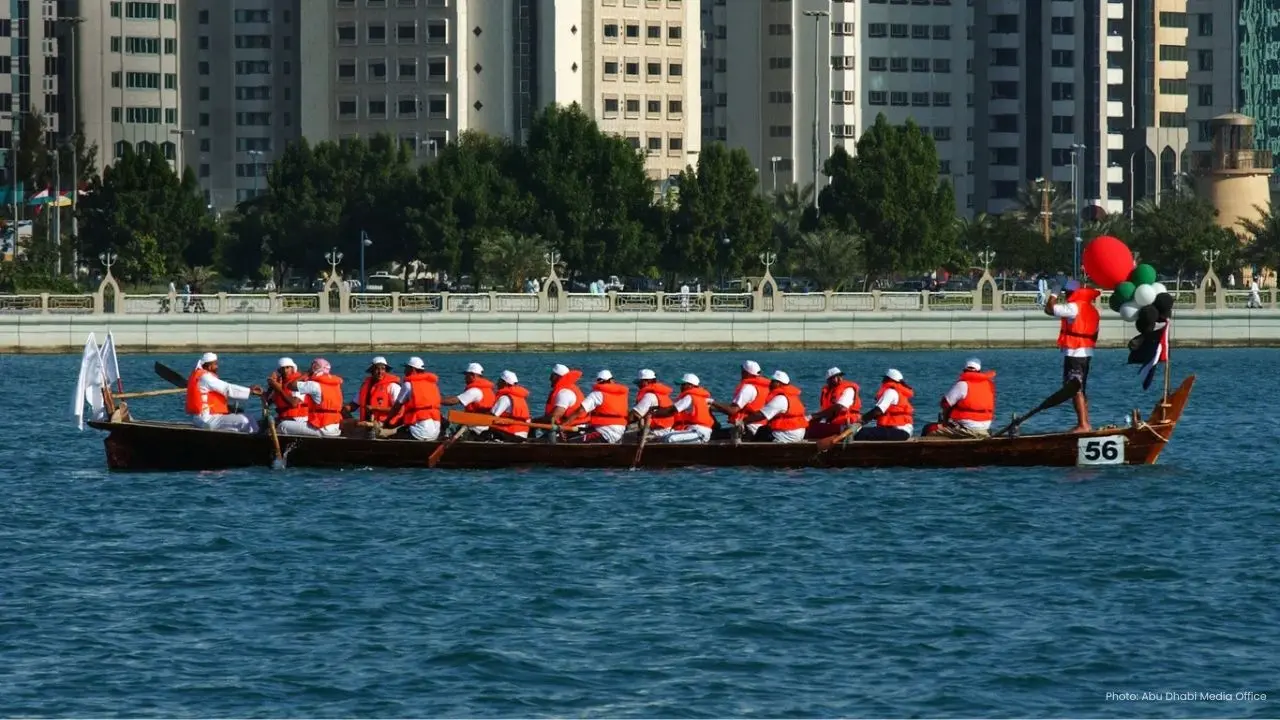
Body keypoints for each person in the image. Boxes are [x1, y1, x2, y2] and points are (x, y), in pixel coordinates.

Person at [1044, 279, 1100, 432]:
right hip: (1086, 354)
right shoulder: (1092, 309)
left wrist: (1054, 292)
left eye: (1066, 293)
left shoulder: (1074, 307)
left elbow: (1049, 309)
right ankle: (1086, 422)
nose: (1066, 296)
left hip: (1075, 353)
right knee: (1080, 389)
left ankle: (1083, 424)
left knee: (1074, 389)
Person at [185, 352, 261, 433]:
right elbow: (227, 388)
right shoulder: (205, 377)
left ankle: (259, 437)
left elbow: (224, 393)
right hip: (206, 419)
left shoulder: (203, 376)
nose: (217, 367)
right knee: (244, 421)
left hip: (212, 417)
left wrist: (248, 390)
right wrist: (250, 391)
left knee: (250, 418)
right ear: (210, 366)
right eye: (215, 364)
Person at [924, 358, 995, 438]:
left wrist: (945, 421)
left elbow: (945, 403)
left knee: (929, 428)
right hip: (985, 426)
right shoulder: (989, 384)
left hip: (968, 428)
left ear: (964, 370)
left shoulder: (963, 384)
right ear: (979, 371)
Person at [278, 358, 344, 437]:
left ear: (313, 369)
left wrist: (306, 374)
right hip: (335, 427)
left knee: (283, 425)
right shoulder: (336, 385)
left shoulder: (313, 385)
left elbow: (291, 385)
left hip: (322, 428)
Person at [740, 370, 808, 443]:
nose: (770, 384)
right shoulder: (793, 397)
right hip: (799, 433)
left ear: (778, 383)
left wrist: (742, 421)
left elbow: (761, 415)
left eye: (772, 382)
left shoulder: (780, 399)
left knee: (762, 432)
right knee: (764, 429)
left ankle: (750, 452)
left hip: (788, 434)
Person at [711, 360, 771, 440]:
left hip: (748, 429)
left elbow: (733, 410)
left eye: (742, 371)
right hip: (762, 428)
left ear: (746, 373)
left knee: (712, 435)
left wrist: (712, 402)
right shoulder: (767, 387)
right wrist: (712, 407)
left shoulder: (748, 388)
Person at [563, 370, 629, 443]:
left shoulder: (597, 394)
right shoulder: (622, 394)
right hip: (620, 431)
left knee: (570, 441)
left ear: (598, 382)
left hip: (605, 433)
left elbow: (580, 411)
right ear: (612, 380)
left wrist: (563, 426)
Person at [647, 373, 714, 443]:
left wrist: (652, 414)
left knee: (669, 438)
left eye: (683, 384)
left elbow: (671, 411)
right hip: (692, 430)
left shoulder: (689, 397)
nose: (681, 387)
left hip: (699, 433)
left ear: (690, 385)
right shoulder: (702, 397)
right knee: (661, 437)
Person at [388, 357, 442, 441]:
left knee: (391, 437)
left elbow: (396, 407)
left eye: (406, 368)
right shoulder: (432, 384)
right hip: (435, 432)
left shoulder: (408, 385)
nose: (404, 370)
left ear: (412, 369)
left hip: (419, 433)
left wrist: (387, 422)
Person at [854, 369, 915, 441]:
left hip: (899, 431)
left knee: (859, 433)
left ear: (888, 379)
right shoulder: (899, 392)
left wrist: (860, 421)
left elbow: (878, 411)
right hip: (903, 430)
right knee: (869, 431)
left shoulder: (891, 391)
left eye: (884, 378)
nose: (882, 381)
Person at [806, 367, 860, 440]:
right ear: (828, 380)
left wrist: (813, 416)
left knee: (810, 431)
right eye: (836, 377)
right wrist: (808, 420)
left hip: (847, 426)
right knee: (807, 426)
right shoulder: (827, 392)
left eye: (840, 376)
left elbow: (840, 406)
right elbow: (825, 413)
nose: (840, 378)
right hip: (833, 424)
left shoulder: (848, 389)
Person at [346, 356, 401, 425]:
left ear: (386, 370)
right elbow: (354, 405)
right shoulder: (365, 386)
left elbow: (398, 409)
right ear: (371, 371)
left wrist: (375, 408)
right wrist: (342, 409)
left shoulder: (393, 386)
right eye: (377, 369)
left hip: (385, 424)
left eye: (383, 369)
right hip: (367, 423)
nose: (380, 372)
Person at [442, 362, 495, 432]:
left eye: (466, 375)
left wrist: (435, 400)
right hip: (485, 425)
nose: (464, 378)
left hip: (476, 427)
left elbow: (453, 401)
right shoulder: (488, 390)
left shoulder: (475, 391)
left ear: (472, 375)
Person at [534, 363, 585, 429]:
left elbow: (554, 417)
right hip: (568, 427)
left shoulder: (564, 393)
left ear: (557, 377)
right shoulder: (569, 388)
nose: (550, 379)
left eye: (552, 376)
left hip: (570, 428)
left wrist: (534, 421)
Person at [629, 369, 675, 439]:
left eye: (639, 382)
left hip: (658, 432)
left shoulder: (649, 396)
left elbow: (634, 415)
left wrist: (621, 421)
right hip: (667, 429)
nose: (638, 385)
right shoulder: (662, 394)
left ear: (646, 382)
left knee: (626, 436)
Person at [488, 370, 531, 442]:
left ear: (505, 383)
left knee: (483, 434)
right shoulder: (521, 397)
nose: (497, 383)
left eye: (499, 381)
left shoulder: (504, 398)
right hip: (523, 433)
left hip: (510, 433)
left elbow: (491, 417)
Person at [265, 357, 309, 427]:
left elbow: (293, 403)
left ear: (292, 368)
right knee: (262, 425)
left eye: (287, 367)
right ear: (279, 370)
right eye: (282, 368)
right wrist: (271, 387)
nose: (285, 370)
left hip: (299, 419)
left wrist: (279, 390)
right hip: (284, 418)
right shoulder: (280, 383)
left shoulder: (299, 382)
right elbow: (267, 403)